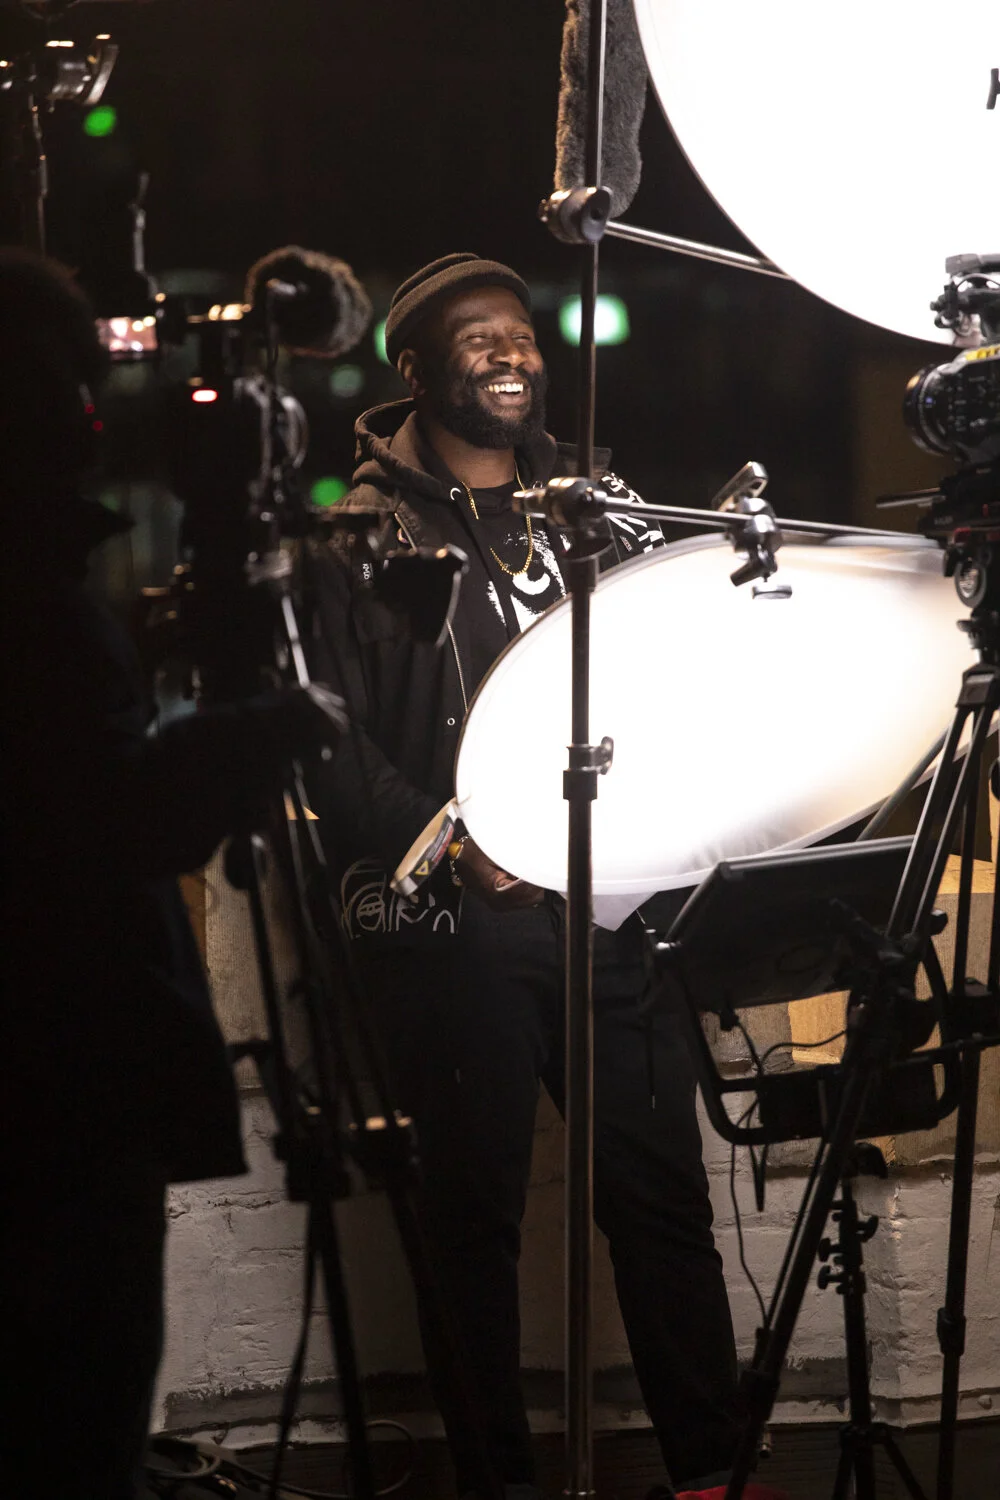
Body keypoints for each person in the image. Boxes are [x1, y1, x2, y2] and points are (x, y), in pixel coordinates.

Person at [307, 254, 752, 1499]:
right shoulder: (357, 535)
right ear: (415, 368)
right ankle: (498, 1484)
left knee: (660, 1200)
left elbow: (668, 674)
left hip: (609, 909)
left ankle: (713, 1475)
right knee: (471, 1226)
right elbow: (327, 740)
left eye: (520, 333)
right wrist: (459, 843)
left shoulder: (593, 508)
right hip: (457, 926)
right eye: (477, 338)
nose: (509, 353)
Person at [0, 249, 346, 1500]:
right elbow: (97, 819)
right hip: (58, 1090)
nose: (94, 415)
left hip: (53, 1086)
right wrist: (262, 731)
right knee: (71, 1423)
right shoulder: (34, 602)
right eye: (71, 385)